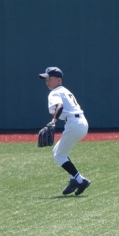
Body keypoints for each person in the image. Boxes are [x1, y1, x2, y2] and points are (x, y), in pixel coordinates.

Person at [38, 67, 91, 195]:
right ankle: (74, 179)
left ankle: (80, 180)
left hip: (74, 124)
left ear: (59, 80)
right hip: (81, 122)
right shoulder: (64, 90)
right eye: (46, 79)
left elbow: (60, 106)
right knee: (57, 151)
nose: (47, 82)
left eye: (50, 79)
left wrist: (53, 121)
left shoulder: (55, 92)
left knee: (59, 155)